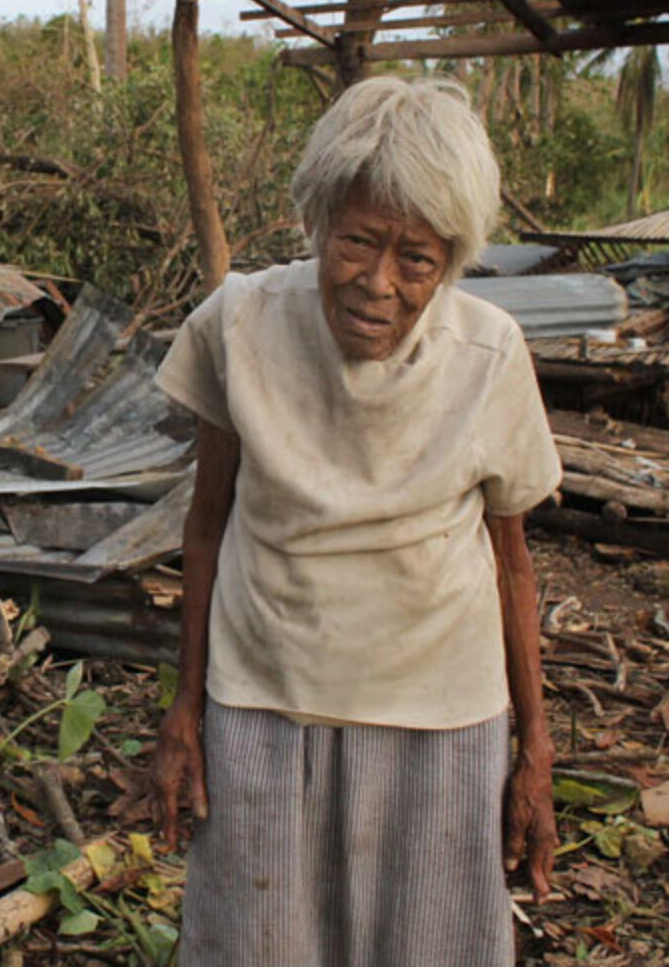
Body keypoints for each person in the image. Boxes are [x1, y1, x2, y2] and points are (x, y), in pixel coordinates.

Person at [150, 74, 561, 966]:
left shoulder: (488, 353)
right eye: (358, 243)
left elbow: (513, 563)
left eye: (416, 259)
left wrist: (535, 751)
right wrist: (184, 711)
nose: (377, 284)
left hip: (440, 714)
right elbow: (207, 524)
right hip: (263, 696)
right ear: (319, 220)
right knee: (259, 944)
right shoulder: (241, 323)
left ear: (451, 261)